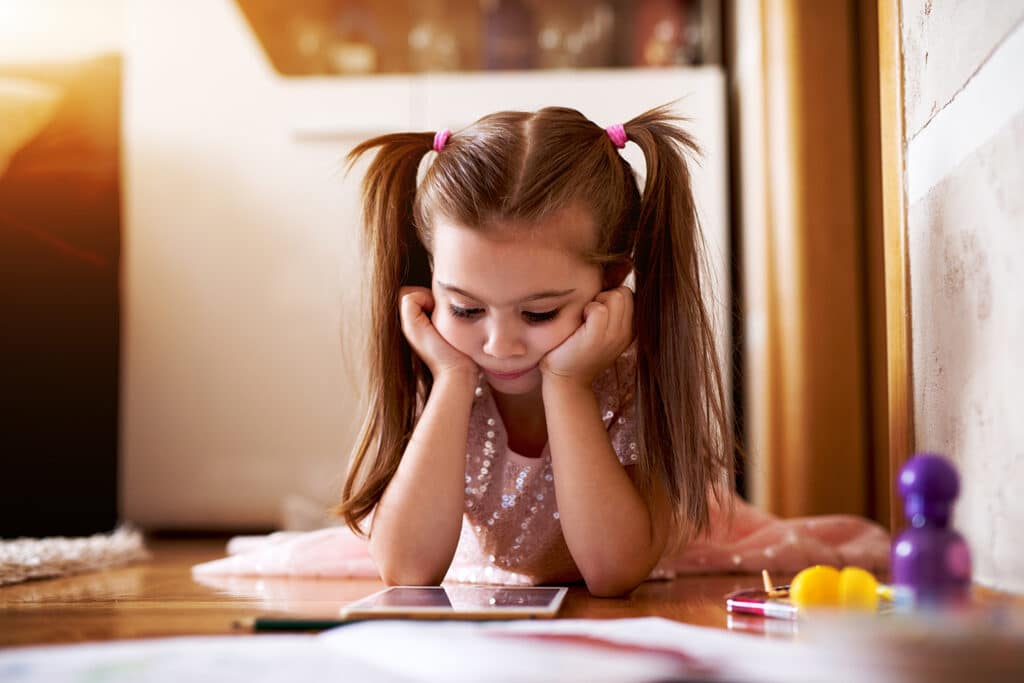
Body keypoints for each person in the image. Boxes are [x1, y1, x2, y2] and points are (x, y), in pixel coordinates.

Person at [192, 104, 888, 595]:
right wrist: (451, 378)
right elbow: (405, 567)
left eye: (540, 310)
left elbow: (613, 571)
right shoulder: (438, 363)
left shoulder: (629, 379)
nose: (499, 341)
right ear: (429, 277)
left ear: (612, 281)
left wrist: (568, 384)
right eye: (466, 307)